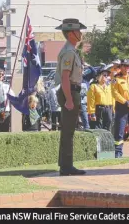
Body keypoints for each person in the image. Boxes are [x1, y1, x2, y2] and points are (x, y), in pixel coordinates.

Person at [54, 18, 87, 176]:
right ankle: (66, 166)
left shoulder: (71, 50)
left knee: (68, 130)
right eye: (78, 31)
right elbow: (65, 77)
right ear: (71, 33)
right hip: (70, 91)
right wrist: (68, 99)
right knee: (68, 131)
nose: (81, 33)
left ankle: (65, 164)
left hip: (72, 91)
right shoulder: (68, 52)